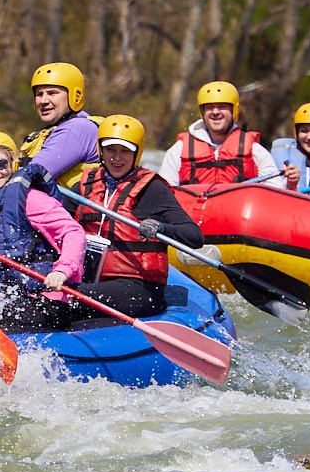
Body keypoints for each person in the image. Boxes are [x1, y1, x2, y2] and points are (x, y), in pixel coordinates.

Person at [61, 114, 205, 321]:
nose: (117, 158)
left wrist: (161, 228)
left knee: (72, 297)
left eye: (125, 151)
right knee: (55, 294)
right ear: (101, 150)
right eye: (110, 150)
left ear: (137, 153)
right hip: (90, 279)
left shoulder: (152, 189)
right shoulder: (84, 186)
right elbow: (57, 227)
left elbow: (195, 237)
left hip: (138, 287)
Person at [0, 129, 86, 322]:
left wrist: (62, 271)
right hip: (7, 296)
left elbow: (73, 232)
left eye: (0, 164)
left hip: (45, 298)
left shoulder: (31, 199)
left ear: (13, 165)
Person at [159, 80, 279, 188]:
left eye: (222, 107)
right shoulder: (179, 149)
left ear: (234, 111)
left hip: (237, 211)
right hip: (192, 211)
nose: (215, 112)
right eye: (210, 107)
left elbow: (276, 191)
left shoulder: (255, 150)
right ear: (202, 112)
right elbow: (164, 194)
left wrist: (291, 183)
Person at [16, 61, 102, 188]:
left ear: (75, 96)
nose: (44, 101)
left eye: (52, 93)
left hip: (68, 207)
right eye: (39, 94)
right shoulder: (49, 131)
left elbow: (30, 177)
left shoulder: (77, 129)